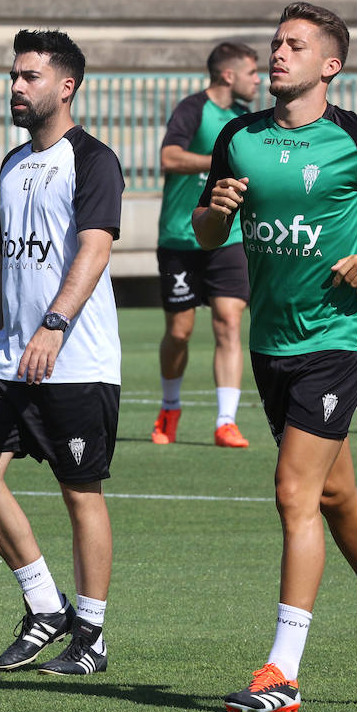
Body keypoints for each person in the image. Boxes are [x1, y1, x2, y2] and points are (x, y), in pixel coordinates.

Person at [193, 2, 357, 712]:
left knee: (293, 493)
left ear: (329, 65)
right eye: (275, 43)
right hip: (273, 343)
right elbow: (209, 233)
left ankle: (284, 671)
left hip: (337, 340)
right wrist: (217, 207)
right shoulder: (240, 137)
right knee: (335, 495)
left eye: (294, 46)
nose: (277, 54)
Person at [0, 29, 124, 677]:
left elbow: (95, 248)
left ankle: (91, 632)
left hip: (74, 359)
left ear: (66, 85)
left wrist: (55, 324)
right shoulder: (12, 163)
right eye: (14, 75)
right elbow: (7, 266)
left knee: (79, 492)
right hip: (8, 359)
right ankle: (42, 604)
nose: (17, 87)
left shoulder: (93, 160)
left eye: (30, 76)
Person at [152, 42, 260, 449]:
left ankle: (226, 421)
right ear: (228, 75)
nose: (258, 80)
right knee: (179, 332)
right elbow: (169, 157)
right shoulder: (193, 109)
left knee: (229, 322)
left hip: (228, 236)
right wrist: (218, 161)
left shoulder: (246, 119)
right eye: (252, 72)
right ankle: (169, 406)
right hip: (180, 236)